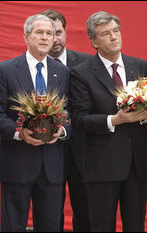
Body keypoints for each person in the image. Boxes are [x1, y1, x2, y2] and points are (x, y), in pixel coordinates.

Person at [69, 11, 147, 232]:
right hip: (102, 166)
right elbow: (79, 119)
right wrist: (114, 120)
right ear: (94, 41)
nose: (114, 37)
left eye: (116, 31)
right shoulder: (81, 73)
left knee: (135, 226)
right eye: (106, 34)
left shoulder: (139, 65)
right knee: (101, 226)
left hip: (136, 164)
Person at [0, 14, 70, 232]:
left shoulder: (62, 72)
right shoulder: (5, 70)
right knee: (13, 226)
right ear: (26, 37)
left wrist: (62, 130)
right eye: (39, 33)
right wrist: (18, 133)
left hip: (52, 166)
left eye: (49, 33)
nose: (45, 37)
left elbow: (71, 112)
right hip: (17, 163)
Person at [40, 9, 92, 232]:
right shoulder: (33, 66)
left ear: (65, 32)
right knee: (50, 215)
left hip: (85, 150)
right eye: (49, 33)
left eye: (58, 32)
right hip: (48, 150)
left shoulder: (88, 62)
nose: (54, 39)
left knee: (86, 213)